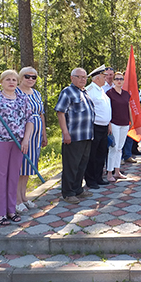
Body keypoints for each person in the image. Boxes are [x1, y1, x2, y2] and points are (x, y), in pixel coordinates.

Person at [0, 70, 34, 226]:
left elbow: (29, 120)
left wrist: (26, 140)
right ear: (2, 81)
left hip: (17, 143)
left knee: (13, 177)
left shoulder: (23, 98)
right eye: (8, 79)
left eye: (14, 79)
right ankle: (1, 213)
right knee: (0, 177)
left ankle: (12, 210)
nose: (11, 82)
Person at [55, 68, 95, 204]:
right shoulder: (67, 92)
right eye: (79, 77)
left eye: (84, 77)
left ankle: (78, 189)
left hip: (86, 135)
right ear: (72, 78)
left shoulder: (84, 92)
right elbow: (60, 113)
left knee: (82, 164)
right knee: (71, 165)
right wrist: (65, 132)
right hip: (73, 136)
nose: (83, 79)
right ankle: (68, 193)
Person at [15, 67, 47, 213]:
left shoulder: (36, 93)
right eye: (27, 76)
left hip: (37, 133)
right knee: (20, 166)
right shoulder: (16, 92)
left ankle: (24, 196)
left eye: (34, 77)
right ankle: (16, 200)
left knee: (29, 166)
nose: (30, 79)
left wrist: (44, 135)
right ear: (21, 77)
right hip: (23, 133)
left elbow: (41, 114)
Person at [84, 65, 112, 189]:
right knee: (92, 154)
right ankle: (90, 180)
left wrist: (109, 123)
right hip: (94, 126)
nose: (105, 78)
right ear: (96, 78)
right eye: (103, 76)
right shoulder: (89, 90)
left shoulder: (101, 90)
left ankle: (98, 177)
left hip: (104, 126)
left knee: (102, 153)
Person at [106, 71, 134, 182]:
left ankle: (117, 171)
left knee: (120, 148)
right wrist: (109, 125)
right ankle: (109, 173)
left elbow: (128, 107)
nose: (119, 81)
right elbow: (107, 110)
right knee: (113, 148)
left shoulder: (126, 94)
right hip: (114, 123)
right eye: (116, 79)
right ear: (113, 81)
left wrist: (131, 120)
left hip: (125, 123)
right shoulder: (109, 93)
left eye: (121, 79)